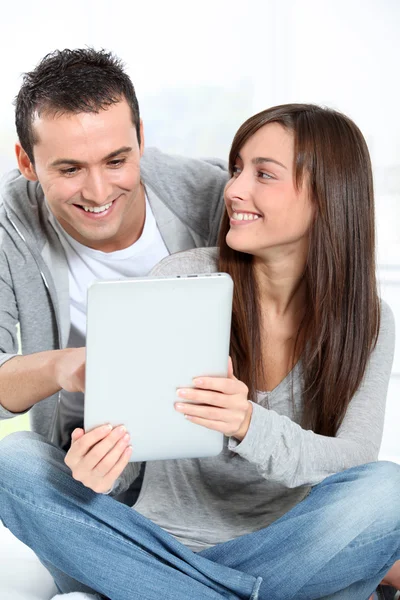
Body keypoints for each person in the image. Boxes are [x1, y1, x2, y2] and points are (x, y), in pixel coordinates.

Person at [1, 102, 399, 600]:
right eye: (236, 170)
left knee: (389, 489)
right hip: (154, 544)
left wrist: (247, 424)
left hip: (283, 549)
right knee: (14, 461)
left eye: (263, 174)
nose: (233, 189)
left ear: (327, 196)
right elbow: (133, 450)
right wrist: (100, 466)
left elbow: (352, 462)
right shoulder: (180, 279)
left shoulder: (369, 321)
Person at [0, 47, 227, 455]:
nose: (99, 193)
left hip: (204, 457)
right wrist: (63, 366)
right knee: (14, 459)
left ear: (140, 138)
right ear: (27, 162)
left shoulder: (211, 196)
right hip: (85, 458)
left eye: (116, 161)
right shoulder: (9, 224)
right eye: (70, 170)